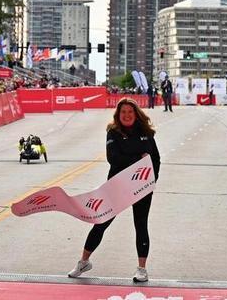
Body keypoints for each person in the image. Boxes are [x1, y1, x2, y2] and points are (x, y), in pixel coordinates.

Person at [68, 98, 161, 283]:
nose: (126, 115)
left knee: (141, 224)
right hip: (117, 184)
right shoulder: (113, 132)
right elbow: (114, 158)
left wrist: (152, 178)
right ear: (118, 115)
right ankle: (83, 262)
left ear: (136, 114)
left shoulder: (146, 133)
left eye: (130, 112)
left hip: (141, 185)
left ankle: (142, 269)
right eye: (123, 112)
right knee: (101, 222)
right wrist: (139, 158)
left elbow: (155, 160)